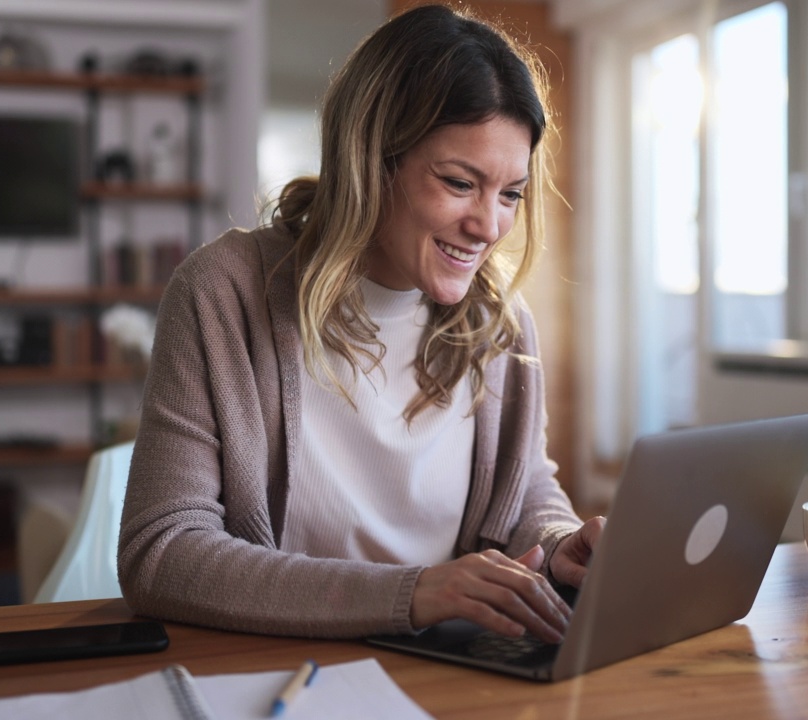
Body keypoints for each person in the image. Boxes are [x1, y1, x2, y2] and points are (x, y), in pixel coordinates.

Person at [117, 3, 604, 644]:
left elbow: (525, 487)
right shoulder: (224, 292)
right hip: (276, 670)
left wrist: (557, 542)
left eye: (510, 193)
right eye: (460, 183)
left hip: (450, 671)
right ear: (371, 161)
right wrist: (413, 594)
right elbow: (162, 552)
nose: (490, 226)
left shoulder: (500, 324)